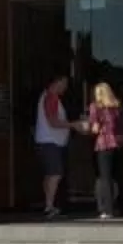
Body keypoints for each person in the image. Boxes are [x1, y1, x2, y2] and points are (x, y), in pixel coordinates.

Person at [86, 79, 123, 220]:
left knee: (105, 177)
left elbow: (95, 128)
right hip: (120, 143)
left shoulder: (96, 107)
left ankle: (108, 210)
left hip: (104, 144)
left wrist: (88, 127)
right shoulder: (118, 106)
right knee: (121, 176)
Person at [31, 69, 73, 219]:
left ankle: (49, 205)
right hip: (50, 142)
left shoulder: (47, 97)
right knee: (55, 173)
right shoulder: (51, 97)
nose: (65, 87)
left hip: (48, 142)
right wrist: (74, 125)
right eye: (64, 83)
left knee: (50, 174)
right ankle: (49, 206)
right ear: (56, 82)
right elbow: (53, 121)